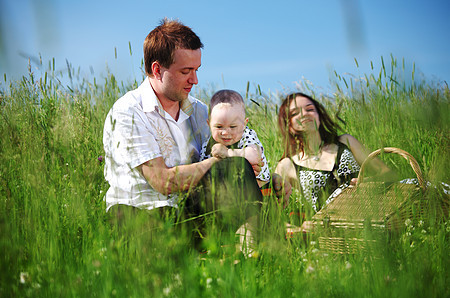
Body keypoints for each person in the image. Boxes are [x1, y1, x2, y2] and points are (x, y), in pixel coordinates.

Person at [102, 19, 289, 249]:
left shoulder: (201, 112)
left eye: (196, 70)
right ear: (157, 70)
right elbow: (163, 182)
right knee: (230, 166)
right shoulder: (128, 112)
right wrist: (220, 161)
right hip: (140, 218)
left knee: (240, 174)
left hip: (184, 212)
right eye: (185, 71)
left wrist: (266, 177)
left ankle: (262, 258)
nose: (195, 80)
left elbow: (238, 158)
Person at [274, 92, 395, 230]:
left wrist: (370, 183)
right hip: (329, 235)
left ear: (319, 116)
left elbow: (390, 175)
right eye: (295, 113)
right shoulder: (287, 165)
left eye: (310, 109)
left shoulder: (346, 142)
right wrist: (299, 229)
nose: (304, 114)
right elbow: (271, 215)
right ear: (288, 125)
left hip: (372, 223)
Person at [199, 89, 271, 189]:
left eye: (232, 127)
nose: (225, 133)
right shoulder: (207, 145)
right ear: (209, 124)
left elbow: (255, 156)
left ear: (244, 124)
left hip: (259, 190)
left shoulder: (246, 135)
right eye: (219, 127)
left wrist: (227, 153)